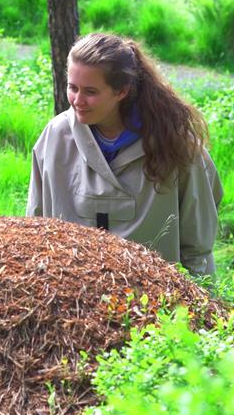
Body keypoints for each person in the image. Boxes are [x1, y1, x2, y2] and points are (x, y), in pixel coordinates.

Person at [27, 33, 223, 275]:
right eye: (72, 88)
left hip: (152, 303)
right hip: (70, 301)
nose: (77, 100)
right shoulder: (55, 137)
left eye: (90, 91)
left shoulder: (176, 144)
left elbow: (199, 246)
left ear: (121, 92)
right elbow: (33, 230)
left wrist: (205, 305)